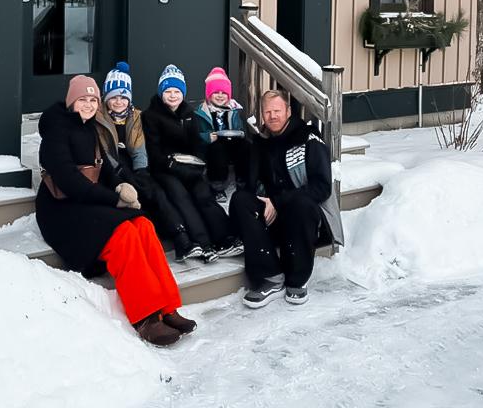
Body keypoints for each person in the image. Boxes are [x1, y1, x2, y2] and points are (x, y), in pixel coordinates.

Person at [36, 73, 196, 346]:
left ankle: (167, 307)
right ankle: (145, 316)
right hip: (61, 208)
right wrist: (114, 200)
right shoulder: (56, 131)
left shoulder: (90, 126)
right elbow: (70, 181)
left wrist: (122, 187)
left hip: (88, 199)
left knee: (143, 225)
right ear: (71, 101)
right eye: (82, 99)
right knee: (123, 233)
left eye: (92, 99)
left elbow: (106, 167)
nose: (88, 104)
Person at [228, 89, 343, 308]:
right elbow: (251, 184)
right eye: (267, 112)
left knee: (300, 204)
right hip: (273, 218)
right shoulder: (260, 143)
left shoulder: (308, 138)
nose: (272, 116)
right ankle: (271, 277)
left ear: (288, 111)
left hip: (304, 219)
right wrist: (262, 199)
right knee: (240, 200)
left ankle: (297, 280)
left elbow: (321, 187)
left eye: (277, 110)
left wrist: (278, 202)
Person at [96, 61, 197, 260]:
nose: (119, 102)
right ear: (106, 98)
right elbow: (104, 152)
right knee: (136, 196)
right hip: (113, 171)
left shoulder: (135, 116)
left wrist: (141, 171)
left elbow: (138, 148)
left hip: (134, 166)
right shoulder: (99, 119)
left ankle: (180, 236)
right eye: (114, 97)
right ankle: (153, 238)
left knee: (156, 192)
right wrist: (124, 174)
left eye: (123, 97)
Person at [142, 64, 241, 261]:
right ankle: (203, 243)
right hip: (165, 168)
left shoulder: (189, 113)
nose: (172, 95)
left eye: (177, 91)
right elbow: (153, 152)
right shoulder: (151, 115)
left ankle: (225, 239)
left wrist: (198, 164)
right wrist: (172, 166)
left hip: (188, 165)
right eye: (168, 91)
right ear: (161, 92)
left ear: (183, 93)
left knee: (203, 193)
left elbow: (197, 143)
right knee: (181, 196)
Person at [194, 66, 250, 193]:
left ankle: (243, 181)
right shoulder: (200, 113)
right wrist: (208, 137)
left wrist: (240, 133)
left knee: (246, 146)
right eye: (216, 92)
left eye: (224, 93)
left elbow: (241, 129)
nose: (220, 96)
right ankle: (217, 185)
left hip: (232, 146)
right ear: (209, 94)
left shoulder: (234, 110)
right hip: (212, 151)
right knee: (217, 148)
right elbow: (195, 136)